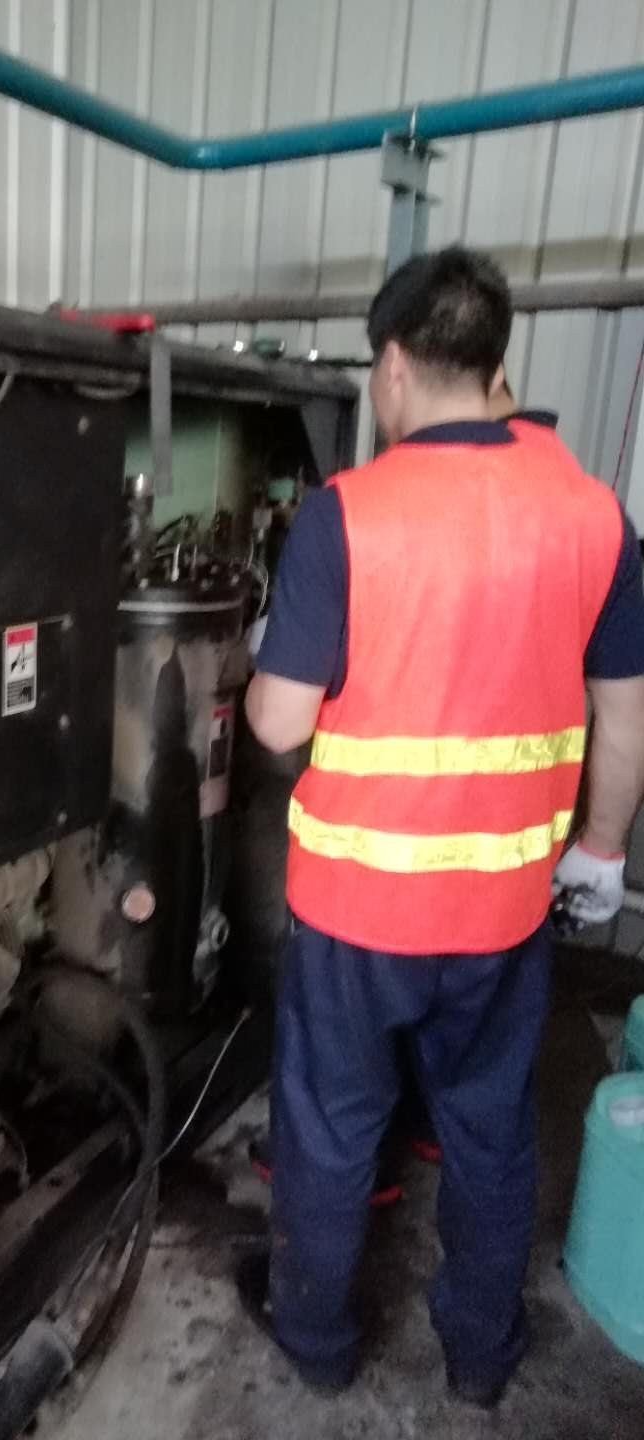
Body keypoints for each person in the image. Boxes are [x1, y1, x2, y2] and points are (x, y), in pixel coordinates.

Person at [239, 245, 644, 1406]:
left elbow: (277, 722)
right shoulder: (594, 517)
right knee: (489, 1129)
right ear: (494, 362)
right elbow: (625, 713)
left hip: (357, 912)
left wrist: (275, 661)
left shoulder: (347, 517)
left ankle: (318, 1347)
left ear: (395, 365)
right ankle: (479, 1353)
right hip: (505, 910)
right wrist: (601, 851)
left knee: (330, 1132)